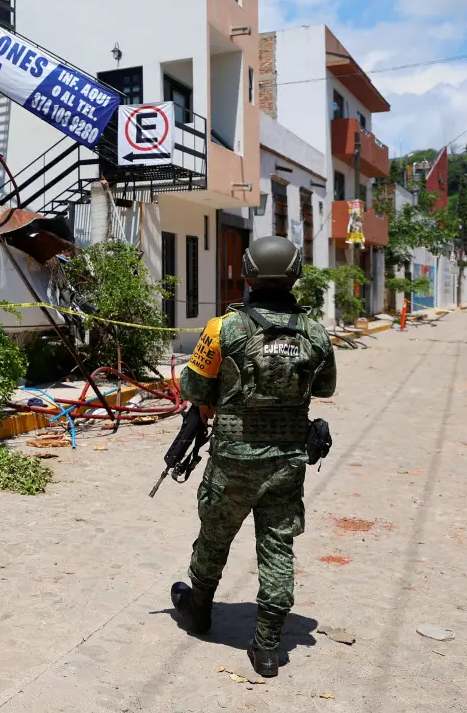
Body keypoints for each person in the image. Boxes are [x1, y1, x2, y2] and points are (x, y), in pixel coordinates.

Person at [170, 236, 337, 677]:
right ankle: (266, 646)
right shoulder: (316, 333)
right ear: (296, 275)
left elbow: (192, 389)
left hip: (232, 460)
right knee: (278, 545)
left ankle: (199, 610)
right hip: (286, 461)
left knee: (214, 535)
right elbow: (324, 389)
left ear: (246, 274)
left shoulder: (222, 328)